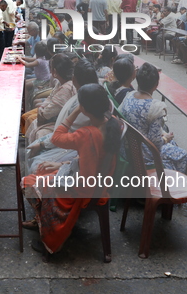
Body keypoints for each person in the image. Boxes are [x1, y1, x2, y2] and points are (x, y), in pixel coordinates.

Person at [21, 83, 122, 256]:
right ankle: (41, 220)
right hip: (97, 182)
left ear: (85, 108)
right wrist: (61, 165)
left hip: (81, 189)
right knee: (42, 169)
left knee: (28, 182)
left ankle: (50, 232)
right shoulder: (113, 123)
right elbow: (91, 160)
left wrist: (75, 112)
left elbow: (56, 137)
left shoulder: (87, 134)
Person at [120, 63, 187, 173]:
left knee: (173, 144)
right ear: (156, 85)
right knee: (182, 154)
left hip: (128, 148)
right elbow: (155, 143)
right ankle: (172, 185)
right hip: (144, 155)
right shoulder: (156, 107)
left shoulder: (129, 96)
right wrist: (166, 138)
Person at [24, 54, 76, 143]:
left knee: (35, 125)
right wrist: (42, 107)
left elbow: (46, 114)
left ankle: (32, 151)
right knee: (29, 118)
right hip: (54, 116)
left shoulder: (66, 89)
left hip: (64, 123)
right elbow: (50, 97)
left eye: (50, 68)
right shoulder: (61, 83)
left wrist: (41, 113)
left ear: (54, 71)